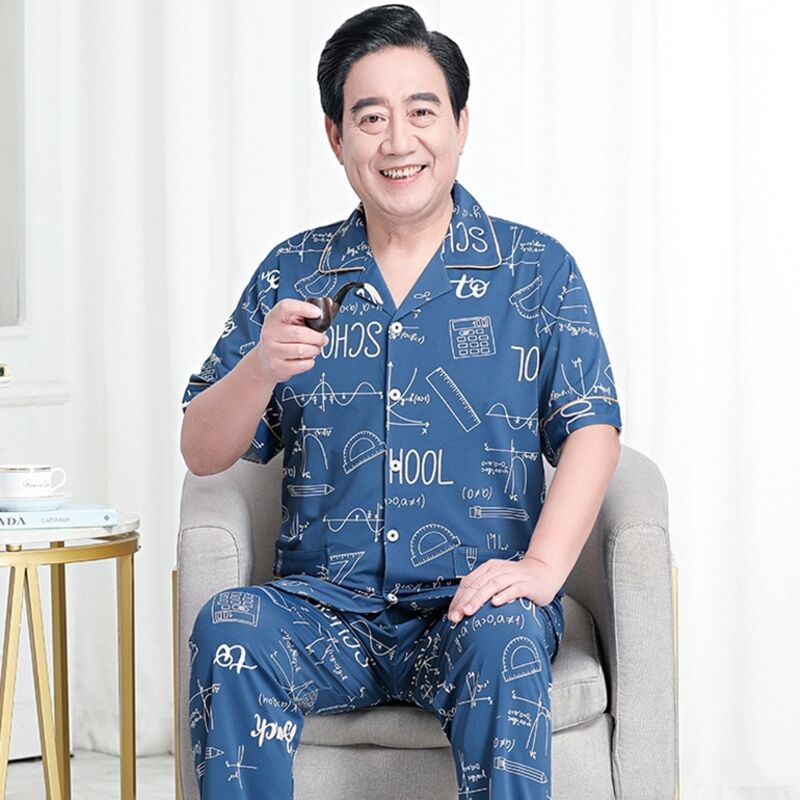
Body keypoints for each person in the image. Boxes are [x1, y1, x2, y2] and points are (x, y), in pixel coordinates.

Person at [180, 5, 622, 798]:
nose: (397, 141)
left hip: (472, 607)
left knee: (508, 639)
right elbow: (201, 449)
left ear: (459, 124)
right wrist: (258, 369)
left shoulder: (536, 271)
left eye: (421, 112)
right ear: (335, 136)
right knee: (228, 628)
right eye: (370, 117)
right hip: (325, 611)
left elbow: (592, 427)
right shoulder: (294, 271)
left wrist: (541, 567)